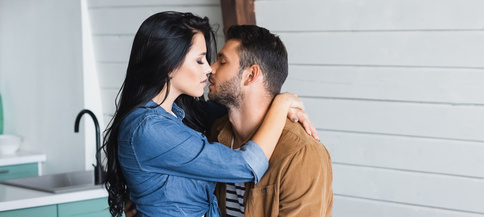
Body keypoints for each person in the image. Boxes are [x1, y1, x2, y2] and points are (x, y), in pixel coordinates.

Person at [102, 11, 316, 217]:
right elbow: (246, 166)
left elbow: (243, 104)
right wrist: (282, 102)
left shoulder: (182, 114)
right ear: (168, 63)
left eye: (218, 61)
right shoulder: (149, 128)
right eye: (199, 60)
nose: (209, 68)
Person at [207, 25, 333, 217]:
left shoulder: (300, 153)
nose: (210, 68)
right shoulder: (217, 132)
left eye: (222, 62)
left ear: (250, 75)